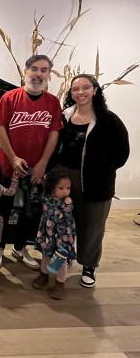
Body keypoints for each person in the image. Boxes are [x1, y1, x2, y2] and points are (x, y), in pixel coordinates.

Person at [0, 55, 63, 270]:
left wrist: (42, 164)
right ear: (26, 71)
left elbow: (54, 134)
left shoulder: (52, 102)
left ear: (49, 74)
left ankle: (20, 248)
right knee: (2, 210)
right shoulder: (10, 98)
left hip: (36, 170)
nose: (38, 74)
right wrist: (12, 158)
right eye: (34, 68)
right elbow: (0, 127)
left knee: (31, 212)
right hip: (7, 167)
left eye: (44, 70)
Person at [55, 74, 129, 288]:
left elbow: (122, 152)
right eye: (75, 89)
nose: (80, 92)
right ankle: (65, 255)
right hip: (65, 179)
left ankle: (88, 265)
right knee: (65, 222)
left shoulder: (109, 119)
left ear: (95, 90)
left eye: (85, 87)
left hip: (97, 183)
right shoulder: (64, 116)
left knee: (93, 226)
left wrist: (103, 170)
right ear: (71, 93)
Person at [32, 169, 76, 300]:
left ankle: (60, 283)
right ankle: (43, 275)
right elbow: (35, 197)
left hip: (62, 236)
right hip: (47, 233)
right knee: (45, 255)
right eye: (61, 188)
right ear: (52, 187)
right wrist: (39, 183)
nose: (65, 191)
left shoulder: (67, 202)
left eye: (68, 188)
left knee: (61, 260)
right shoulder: (47, 198)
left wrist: (66, 241)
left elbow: (66, 219)